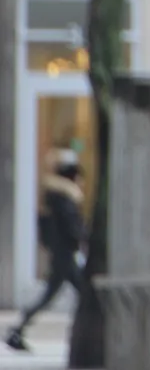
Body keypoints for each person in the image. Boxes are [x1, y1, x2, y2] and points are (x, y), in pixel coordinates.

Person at [7, 149, 87, 352]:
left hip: (61, 254)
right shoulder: (63, 198)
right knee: (80, 293)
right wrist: (82, 237)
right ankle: (17, 330)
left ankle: (18, 329)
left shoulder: (53, 197)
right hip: (64, 255)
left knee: (55, 294)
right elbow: (72, 227)